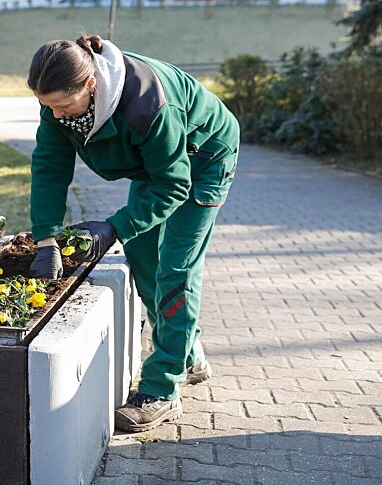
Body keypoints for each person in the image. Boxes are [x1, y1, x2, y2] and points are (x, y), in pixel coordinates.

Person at [26, 35, 239, 433]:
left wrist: (114, 226)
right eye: (47, 105)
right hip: (156, 167)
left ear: (90, 85)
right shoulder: (59, 104)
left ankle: (162, 389)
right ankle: (187, 354)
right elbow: (50, 168)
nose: (55, 115)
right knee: (144, 259)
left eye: (62, 106)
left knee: (176, 268)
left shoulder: (149, 105)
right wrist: (46, 239)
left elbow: (174, 185)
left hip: (203, 157)